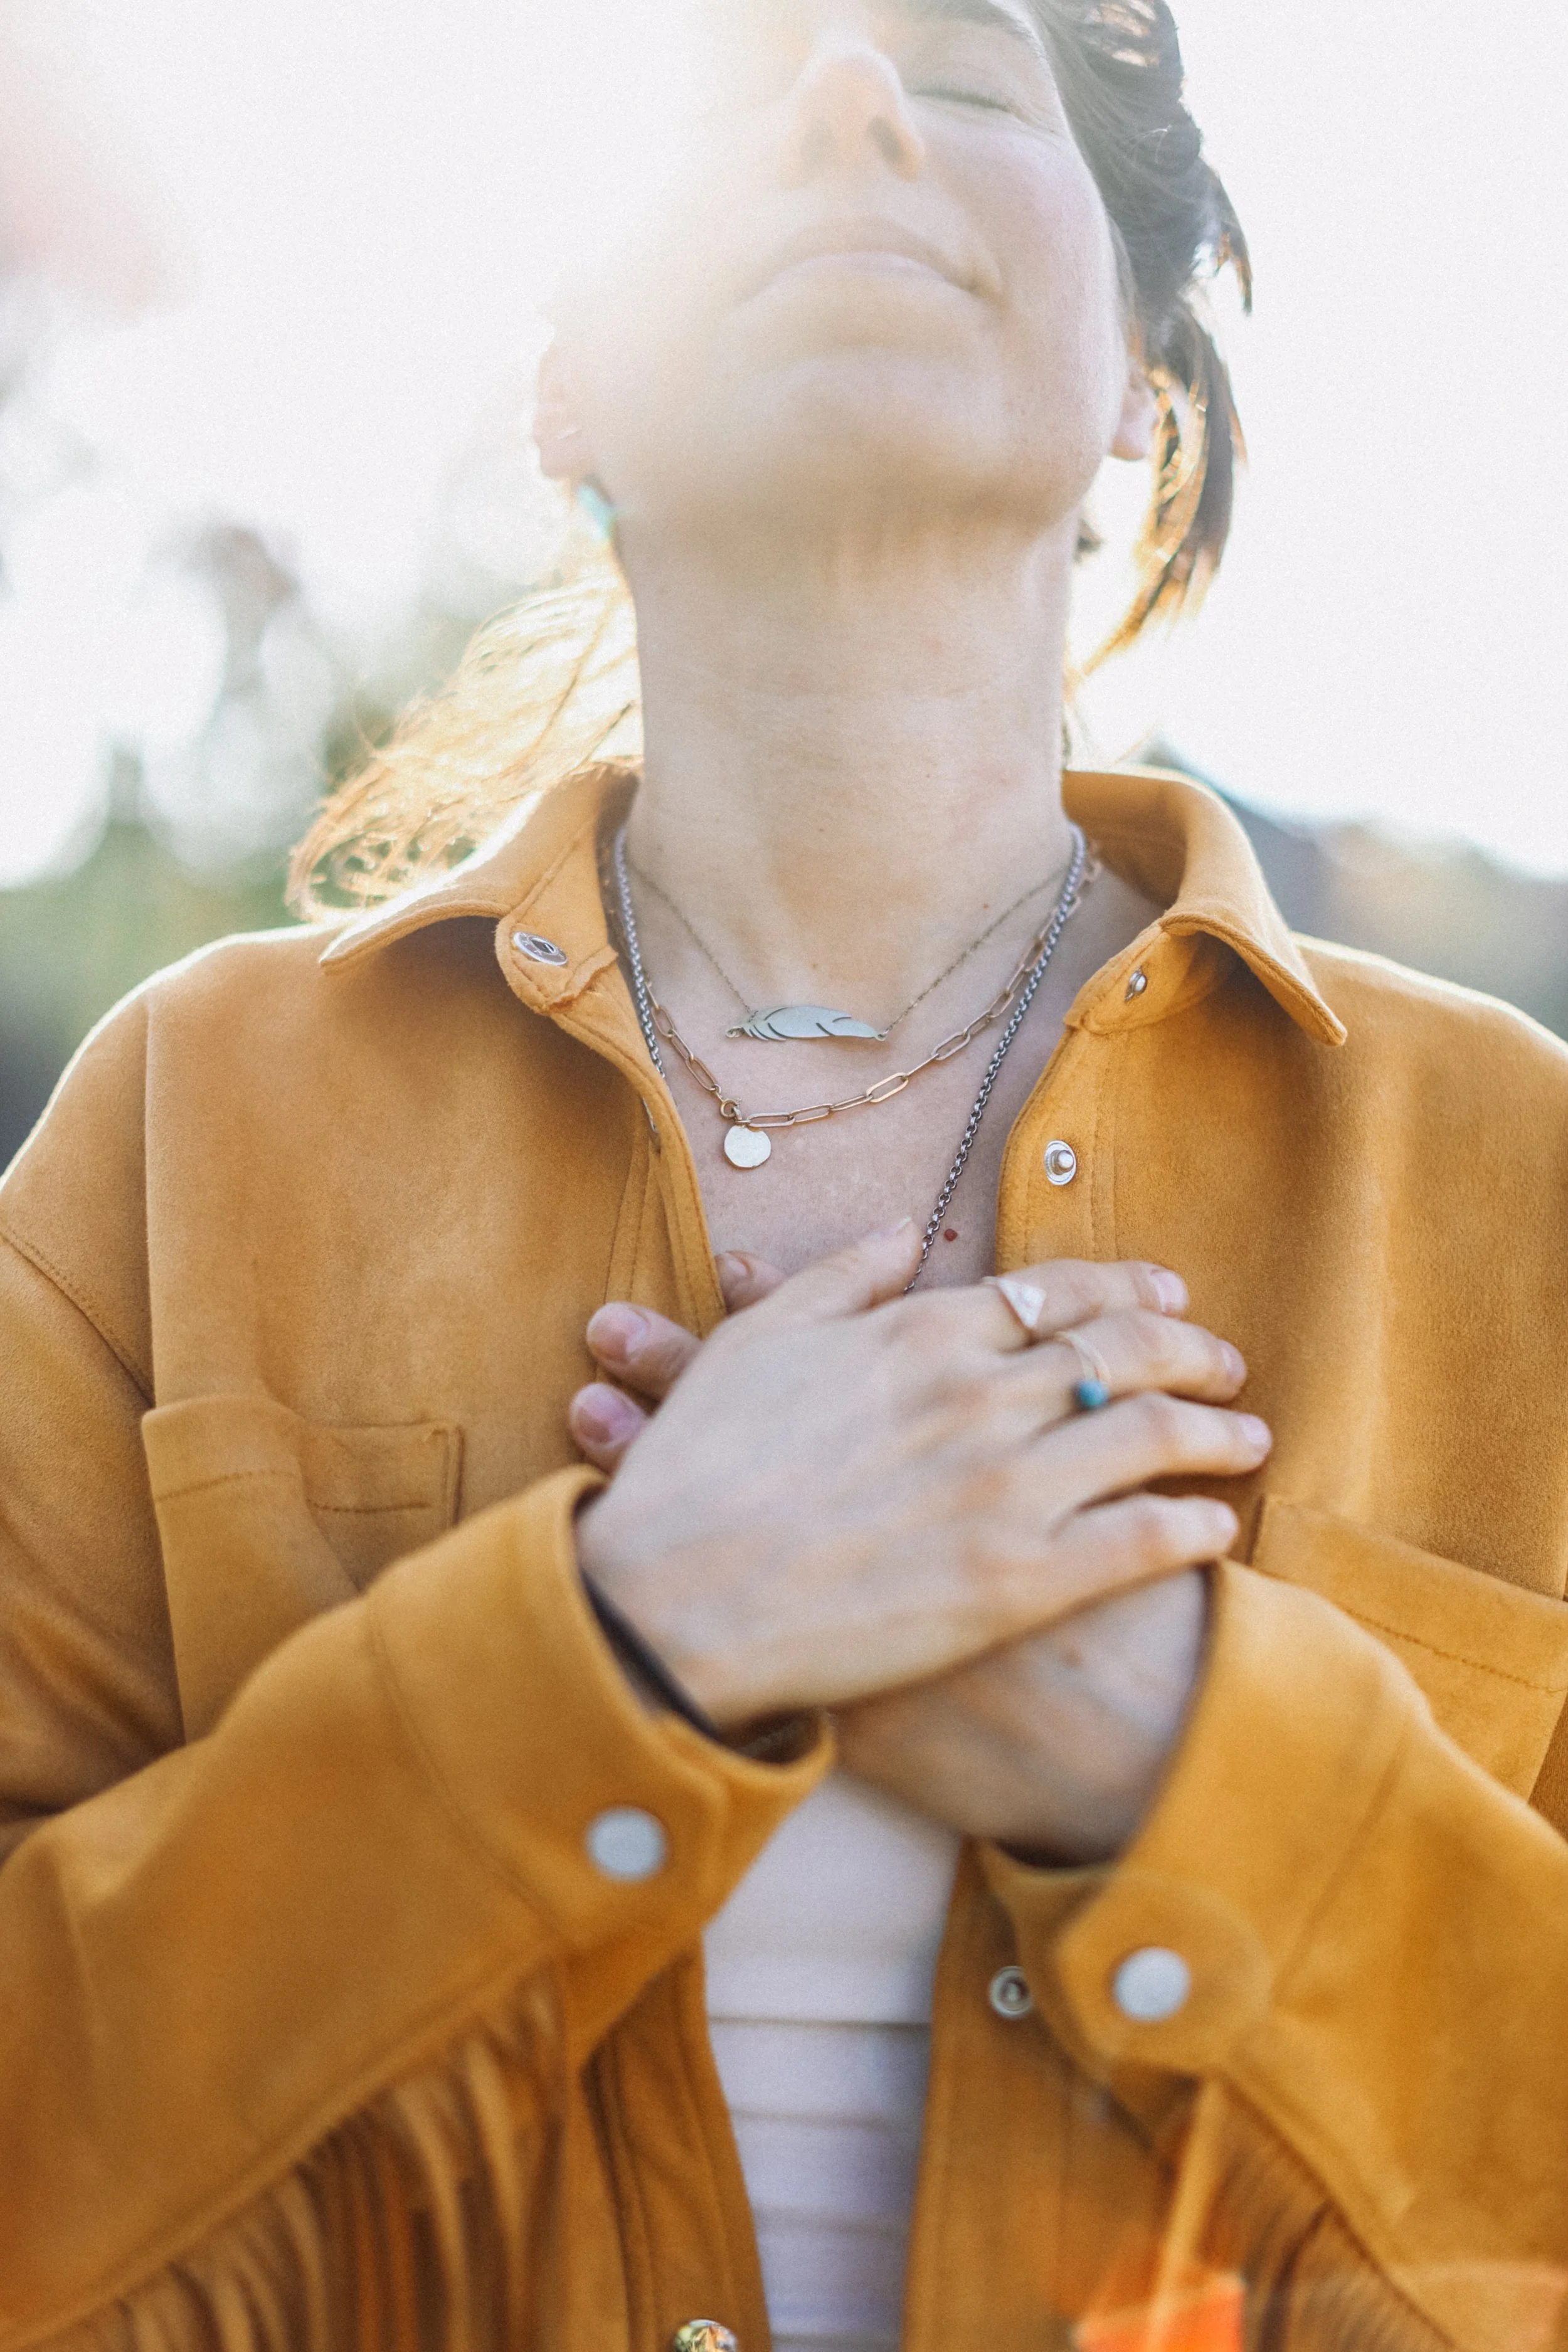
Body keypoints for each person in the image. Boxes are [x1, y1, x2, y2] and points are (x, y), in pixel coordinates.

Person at [2, 2, 1567, 2348]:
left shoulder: (1515, 1185)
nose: (846, 98)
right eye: (741, 86)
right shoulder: (182, 1123)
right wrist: (625, 1642)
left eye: (957, 78)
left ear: (1145, 381)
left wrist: (1168, 1750)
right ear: (574, 394)